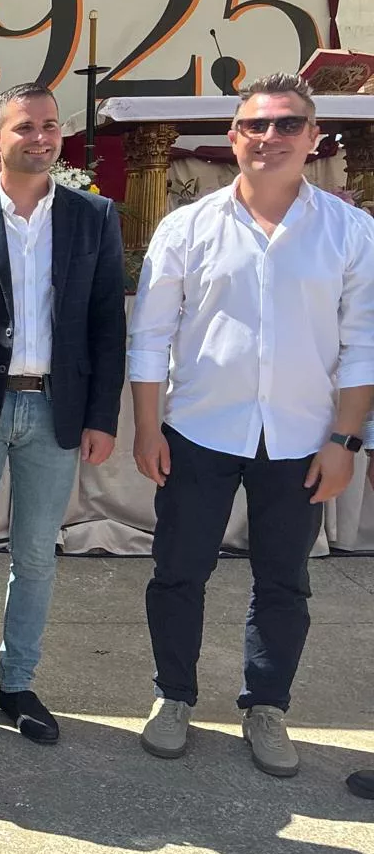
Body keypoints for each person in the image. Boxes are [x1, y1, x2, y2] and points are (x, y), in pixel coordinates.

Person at [130, 72, 374, 778]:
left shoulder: (350, 232)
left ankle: (266, 705)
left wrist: (344, 440)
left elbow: (363, 344)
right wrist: (149, 430)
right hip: (201, 431)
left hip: (300, 440)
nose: (271, 137)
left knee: (284, 580)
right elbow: (149, 338)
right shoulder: (187, 227)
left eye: (287, 125)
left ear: (314, 138)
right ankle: (172, 696)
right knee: (178, 572)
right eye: (257, 125)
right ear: (234, 137)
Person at [0, 83, 126, 744]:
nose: (40, 137)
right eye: (24, 127)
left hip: (55, 406)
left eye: (49, 126)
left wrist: (103, 416)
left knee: (38, 554)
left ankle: (17, 684)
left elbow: (106, 323)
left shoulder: (92, 217)